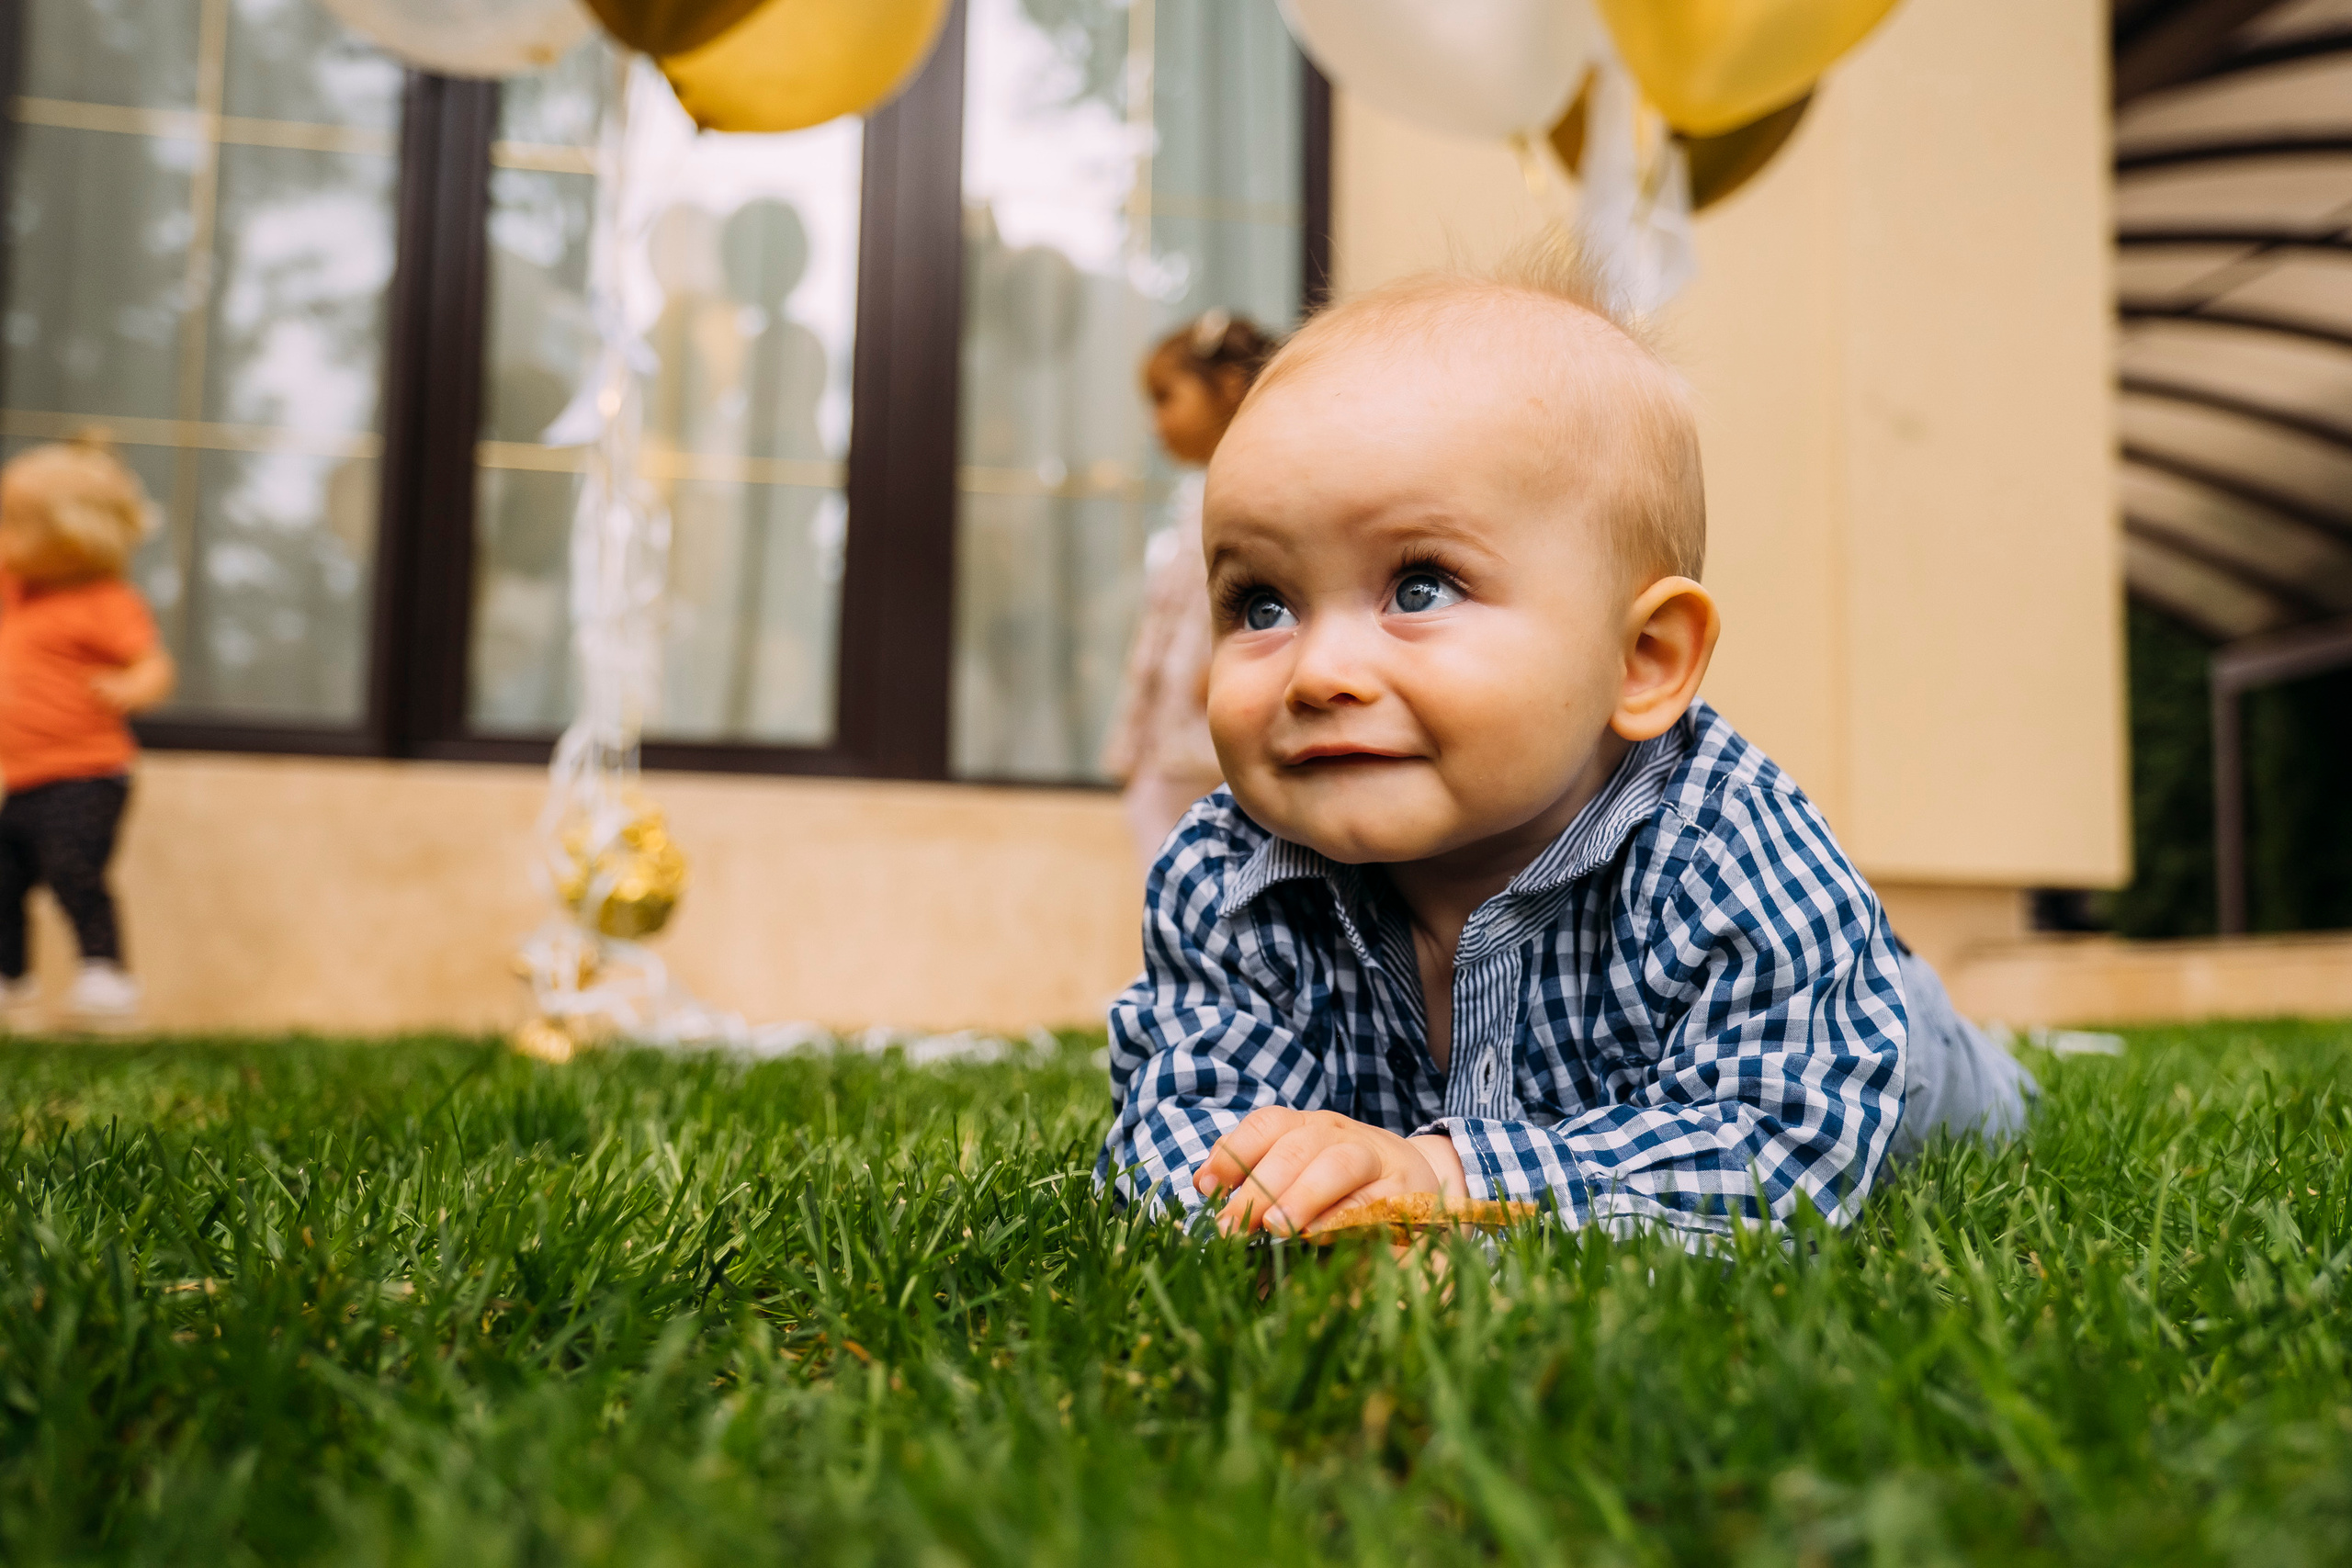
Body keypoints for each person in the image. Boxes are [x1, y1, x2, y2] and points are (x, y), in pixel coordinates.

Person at [1097, 242, 2033, 1242]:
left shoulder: (1724, 850)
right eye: (1262, 603)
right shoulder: (1227, 878)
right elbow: (1177, 1124)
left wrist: (1447, 1179)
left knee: (1982, 1107)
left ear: (1642, 661)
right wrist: (1277, 1207)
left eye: (1420, 587)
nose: (1318, 671)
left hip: (1884, 1048)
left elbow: (1777, 1150)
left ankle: (2007, 1059)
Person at [0, 434, 175, 1030]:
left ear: (73, 537)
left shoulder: (107, 601)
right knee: (4, 879)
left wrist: (134, 687)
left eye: (15, 522)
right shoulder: (18, 591)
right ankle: (10, 980)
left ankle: (106, 978)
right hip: (22, 778)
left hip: (88, 774)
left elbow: (153, 663)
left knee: (73, 870)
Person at [1101, 310, 1277, 868]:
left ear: (1227, 388)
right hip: (1176, 721)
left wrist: (1235, 654)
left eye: (1166, 398)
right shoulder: (1197, 496)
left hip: (1212, 716)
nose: (1155, 423)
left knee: (1194, 847)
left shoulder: (1259, 491)